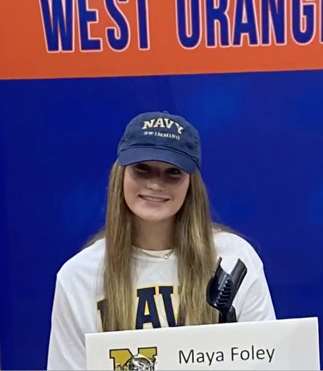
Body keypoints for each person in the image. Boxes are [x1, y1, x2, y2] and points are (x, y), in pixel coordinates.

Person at [47, 111, 275, 370]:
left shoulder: (235, 260)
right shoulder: (79, 277)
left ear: (191, 183)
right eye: (142, 169)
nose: (155, 184)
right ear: (120, 175)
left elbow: (267, 362)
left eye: (173, 172)